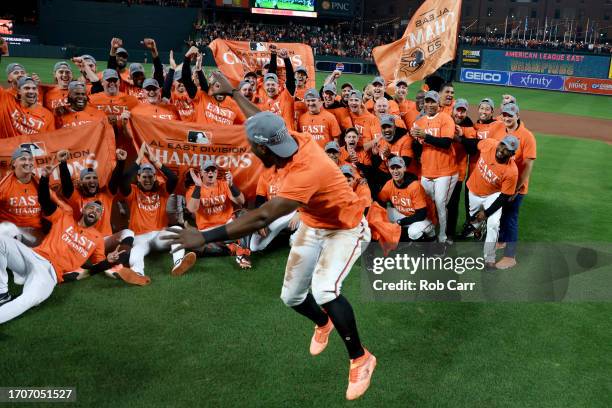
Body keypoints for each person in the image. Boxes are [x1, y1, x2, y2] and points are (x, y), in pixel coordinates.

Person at [163, 72, 376, 400]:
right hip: (314, 223)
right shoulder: (286, 140)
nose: (250, 147)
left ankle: (360, 358)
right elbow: (261, 122)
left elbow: (262, 215)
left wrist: (203, 237)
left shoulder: (307, 170)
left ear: (262, 149)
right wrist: (234, 91)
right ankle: (324, 323)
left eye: (252, 145)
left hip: (346, 229)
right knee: (292, 297)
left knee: (323, 289)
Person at [0, 164, 138, 324]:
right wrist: (44, 178)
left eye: (99, 212)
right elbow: (44, 200)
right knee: (2, 240)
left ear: (99, 217)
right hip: (33, 256)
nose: (95, 212)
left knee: (28, 300)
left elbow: (96, 266)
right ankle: (2, 293)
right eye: (92, 208)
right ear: (85, 209)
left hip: (50, 274)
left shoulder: (97, 239)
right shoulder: (64, 217)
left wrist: (109, 261)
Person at [56, 149, 148, 285]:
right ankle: (107, 268)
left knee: (128, 233)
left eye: (94, 178)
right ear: (80, 183)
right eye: (87, 178)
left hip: (104, 240)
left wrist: (121, 162)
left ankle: (118, 264)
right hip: (84, 243)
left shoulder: (105, 195)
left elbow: (115, 180)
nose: (92, 180)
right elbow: (67, 185)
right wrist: (63, 163)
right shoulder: (76, 198)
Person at [119, 143, 196, 278]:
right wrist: (139, 158)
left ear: (155, 177)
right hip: (140, 237)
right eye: (144, 176)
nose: (148, 180)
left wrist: (155, 161)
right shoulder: (133, 191)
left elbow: (173, 178)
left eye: (150, 176)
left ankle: (178, 263)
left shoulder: (162, 190)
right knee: (136, 250)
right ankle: (138, 272)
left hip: (159, 235)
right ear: (138, 178)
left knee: (177, 230)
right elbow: (124, 180)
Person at [460, 136, 519, 268]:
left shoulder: (511, 172)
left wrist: (487, 213)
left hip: (494, 195)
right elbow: (474, 143)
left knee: (493, 224)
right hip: (474, 190)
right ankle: (477, 227)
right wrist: (459, 138)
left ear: (512, 154)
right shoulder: (490, 144)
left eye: (507, 149)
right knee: (473, 220)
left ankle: (489, 259)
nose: (502, 150)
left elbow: (503, 197)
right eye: (502, 144)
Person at [490, 103, 537, 270]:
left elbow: (527, 167)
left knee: (510, 218)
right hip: (499, 184)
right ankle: (501, 241)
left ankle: (510, 256)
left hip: (516, 187)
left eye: (510, 115)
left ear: (517, 115)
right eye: (505, 115)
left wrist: (516, 189)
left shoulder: (527, 136)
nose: (507, 118)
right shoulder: (499, 129)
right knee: (501, 215)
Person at [185, 161, 252, 268]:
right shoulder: (193, 189)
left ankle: (243, 254)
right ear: (201, 173)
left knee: (244, 213)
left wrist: (232, 185)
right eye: (207, 170)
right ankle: (231, 248)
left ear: (216, 173)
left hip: (228, 226)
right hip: (208, 231)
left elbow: (241, 201)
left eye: (213, 170)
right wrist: (198, 186)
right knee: (193, 243)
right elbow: (191, 208)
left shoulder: (224, 184)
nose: (210, 173)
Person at [410, 91, 456, 244]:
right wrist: (415, 138)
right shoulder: (420, 121)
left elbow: (446, 143)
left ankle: (442, 238)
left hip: (444, 171)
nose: (429, 105)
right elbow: (417, 148)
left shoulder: (446, 118)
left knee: (440, 205)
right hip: (426, 171)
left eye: (433, 102)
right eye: (427, 102)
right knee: (426, 205)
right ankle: (429, 234)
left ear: (438, 104)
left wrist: (424, 136)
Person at [378, 156, 436, 242]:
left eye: (398, 168)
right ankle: (403, 237)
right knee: (379, 214)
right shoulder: (389, 184)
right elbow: (379, 202)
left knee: (413, 232)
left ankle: (431, 237)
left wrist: (400, 222)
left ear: (404, 168)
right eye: (392, 168)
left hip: (425, 218)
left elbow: (422, 214)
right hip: (405, 214)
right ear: (389, 170)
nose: (395, 171)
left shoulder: (414, 186)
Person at [0, 147, 45, 247]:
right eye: (23, 159)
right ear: (13, 163)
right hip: (12, 232)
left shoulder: (39, 183)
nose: (27, 162)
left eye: (30, 159)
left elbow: (58, 205)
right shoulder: (4, 186)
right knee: (6, 228)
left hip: (36, 234)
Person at [249, 167, 301, 252]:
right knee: (255, 247)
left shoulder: (294, 173)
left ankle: (296, 237)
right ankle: (279, 236)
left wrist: (299, 212)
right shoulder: (266, 175)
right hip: (274, 213)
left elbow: (305, 196)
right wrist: (261, 222)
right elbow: (260, 200)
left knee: (309, 218)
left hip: (292, 211)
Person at [446, 99, 476, 242]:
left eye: (462, 111)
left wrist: (461, 136)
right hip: (439, 171)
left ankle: (450, 234)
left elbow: (472, 149)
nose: (459, 114)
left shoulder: (469, 126)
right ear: (452, 110)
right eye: (457, 110)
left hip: (457, 173)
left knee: (452, 204)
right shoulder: (445, 120)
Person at [370, 114, 416, 199]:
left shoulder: (406, 139)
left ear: (394, 127)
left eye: (389, 127)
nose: (386, 130)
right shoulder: (381, 141)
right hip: (392, 177)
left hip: (408, 177)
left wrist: (389, 155)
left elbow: (406, 163)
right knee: (370, 174)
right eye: (384, 128)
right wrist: (375, 156)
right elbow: (378, 167)